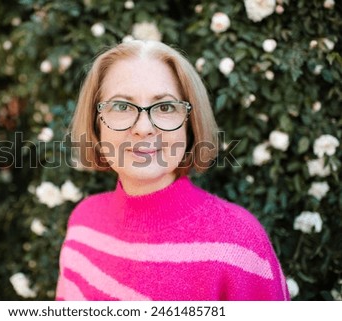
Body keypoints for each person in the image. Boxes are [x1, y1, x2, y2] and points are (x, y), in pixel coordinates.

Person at [56, 40, 289, 301]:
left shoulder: (238, 244)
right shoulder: (82, 224)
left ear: (190, 124)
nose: (143, 128)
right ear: (95, 123)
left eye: (165, 107)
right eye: (121, 106)